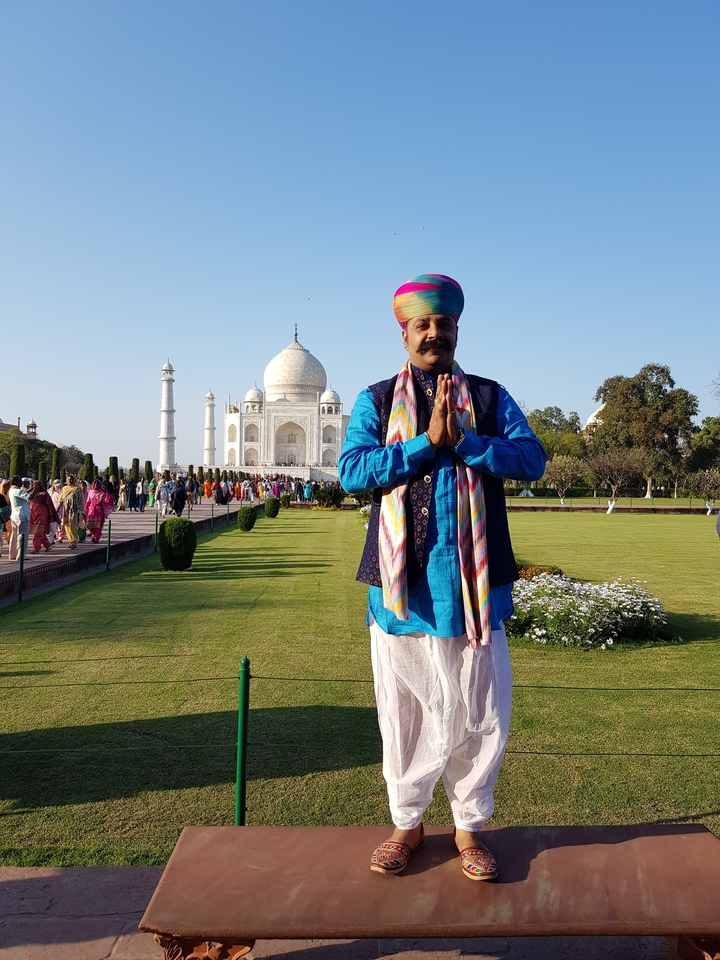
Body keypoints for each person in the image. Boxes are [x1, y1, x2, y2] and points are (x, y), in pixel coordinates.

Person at [338, 273, 545, 881]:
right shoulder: (376, 401)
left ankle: (468, 827)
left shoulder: (487, 394)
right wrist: (424, 445)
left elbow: (530, 459)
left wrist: (473, 443)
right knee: (403, 712)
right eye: (422, 325)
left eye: (443, 324)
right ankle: (407, 822)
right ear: (404, 332)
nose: (433, 334)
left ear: (457, 328)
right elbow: (353, 471)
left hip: (473, 590)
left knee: (480, 710)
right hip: (403, 590)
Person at [29, 480, 60, 552]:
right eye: (34, 485)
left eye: (37, 486)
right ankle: (47, 545)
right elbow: (30, 497)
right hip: (34, 516)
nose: (36, 487)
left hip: (42, 515)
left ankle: (36, 548)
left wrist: (51, 515)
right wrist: (33, 489)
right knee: (40, 532)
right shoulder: (32, 495)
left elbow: (50, 505)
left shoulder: (44, 494)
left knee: (38, 531)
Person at [8, 477, 32, 561]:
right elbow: (30, 497)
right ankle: (21, 555)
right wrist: (36, 488)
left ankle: (12, 554)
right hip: (22, 517)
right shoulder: (18, 491)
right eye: (19, 481)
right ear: (15, 482)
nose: (21, 482)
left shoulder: (11, 490)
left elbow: (24, 493)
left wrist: (31, 488)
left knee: (14, 536)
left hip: (14, 516)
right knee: (22, 537)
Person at [59, 475, 85, 549]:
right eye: (68, 479)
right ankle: (70, 541)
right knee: (66, 526)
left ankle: (74, 542)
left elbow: (81, 501)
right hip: (66, 510)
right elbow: (61, 499)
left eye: (71, 479)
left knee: (72, 526)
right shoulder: (64, 489)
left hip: (74, 510)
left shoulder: (77, 489)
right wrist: (57, 508)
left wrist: (82, 512)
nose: (70, 481)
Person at [85, 479, 114, 543]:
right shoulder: (91, 492)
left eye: (98, 484)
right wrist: (85, 508)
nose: (96, 485)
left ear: (100, 485)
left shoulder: (102, 492)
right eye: (95, 483)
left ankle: (96, 538)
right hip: (92, 510)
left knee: (98, 525)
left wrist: (107, 496)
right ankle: (94, 534)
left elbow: (108, 499)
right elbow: (88, 501)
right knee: (90, 525)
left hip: (99, 510)